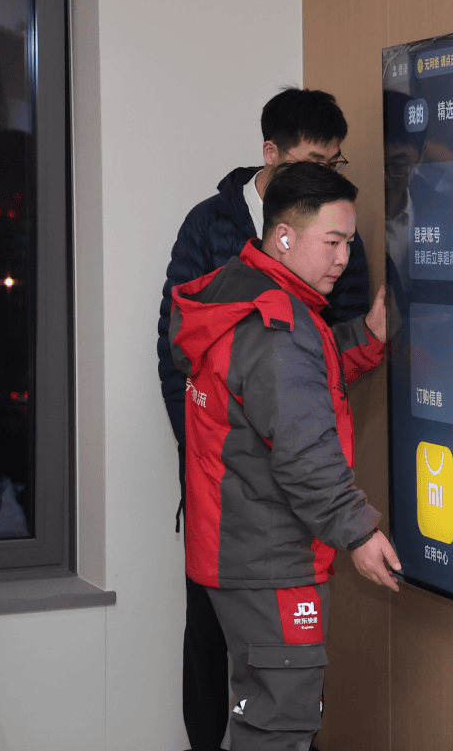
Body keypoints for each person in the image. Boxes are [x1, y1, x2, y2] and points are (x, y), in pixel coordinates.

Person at [156, 87, 370, 751]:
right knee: (262, 700)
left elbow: (319, 360)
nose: (343, 258)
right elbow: (184, 360)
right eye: (333, 243)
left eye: (334, 162)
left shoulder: (287, 285)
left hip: (255, 520)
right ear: (272, 155)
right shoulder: (220, 239)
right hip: (252, 523)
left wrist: (370, 336)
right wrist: (217, 456)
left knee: (269, 705)